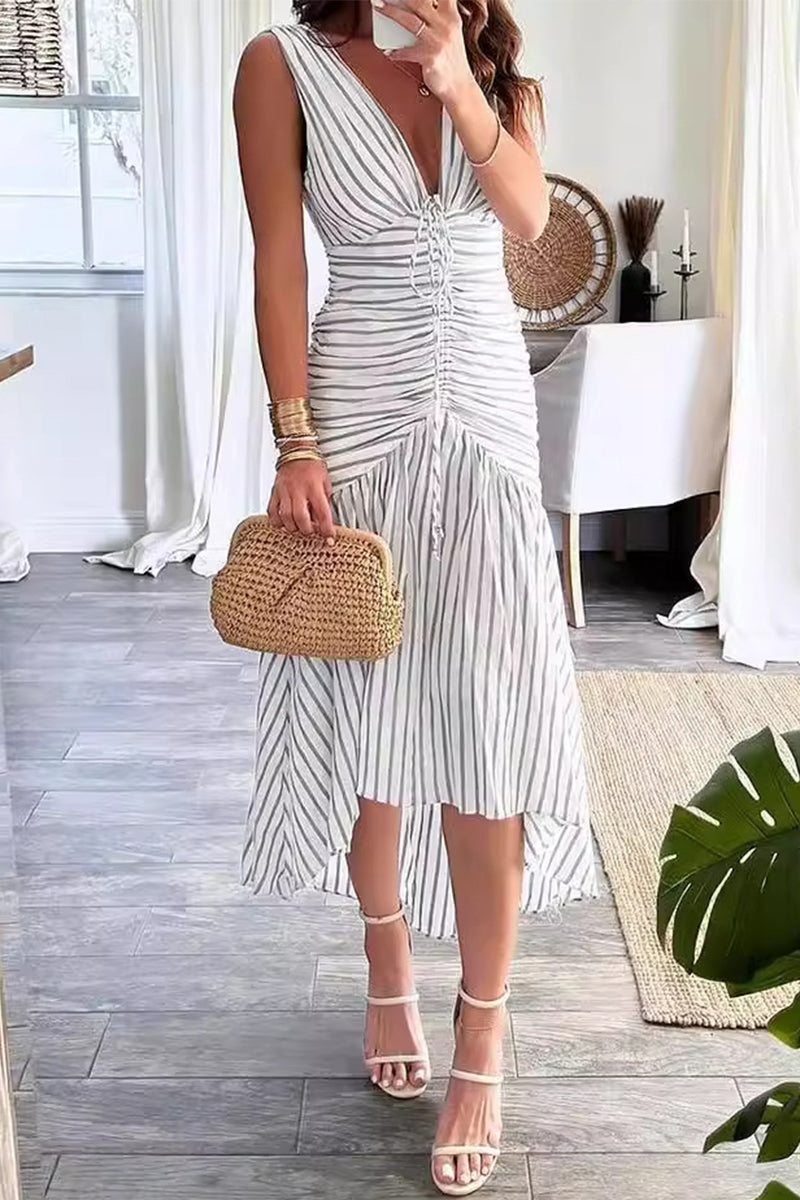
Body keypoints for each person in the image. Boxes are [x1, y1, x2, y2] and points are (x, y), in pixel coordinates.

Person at [234, 1, 596, 1193]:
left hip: (487, 417)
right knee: (369, 712)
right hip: (357, 413)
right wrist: (294, 440)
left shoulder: (496, 77)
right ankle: (386, 957)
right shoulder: (280, 65)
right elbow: (278, 257)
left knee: (486, 720)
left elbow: (530, 223)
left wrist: (455, 83)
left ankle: (482, 1030)